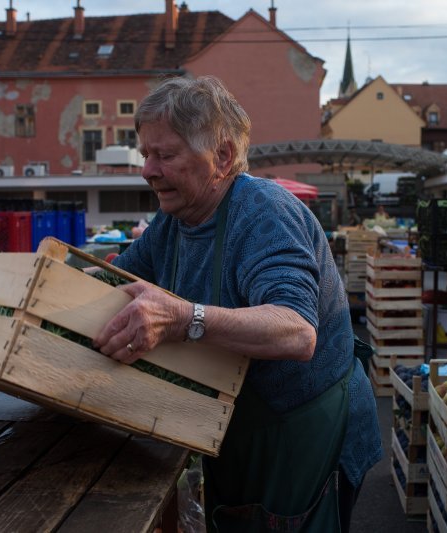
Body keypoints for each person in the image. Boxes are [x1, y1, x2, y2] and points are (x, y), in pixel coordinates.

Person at [92, 76, 382, 532]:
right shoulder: (173, 222)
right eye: (145, 154)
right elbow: (113, 282)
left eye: (165, 155)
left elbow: (296, 329)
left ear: (222, 157)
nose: (147, 170)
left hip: (305, 432)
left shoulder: (264, 213)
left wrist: (185, 318)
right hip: (239, 429)